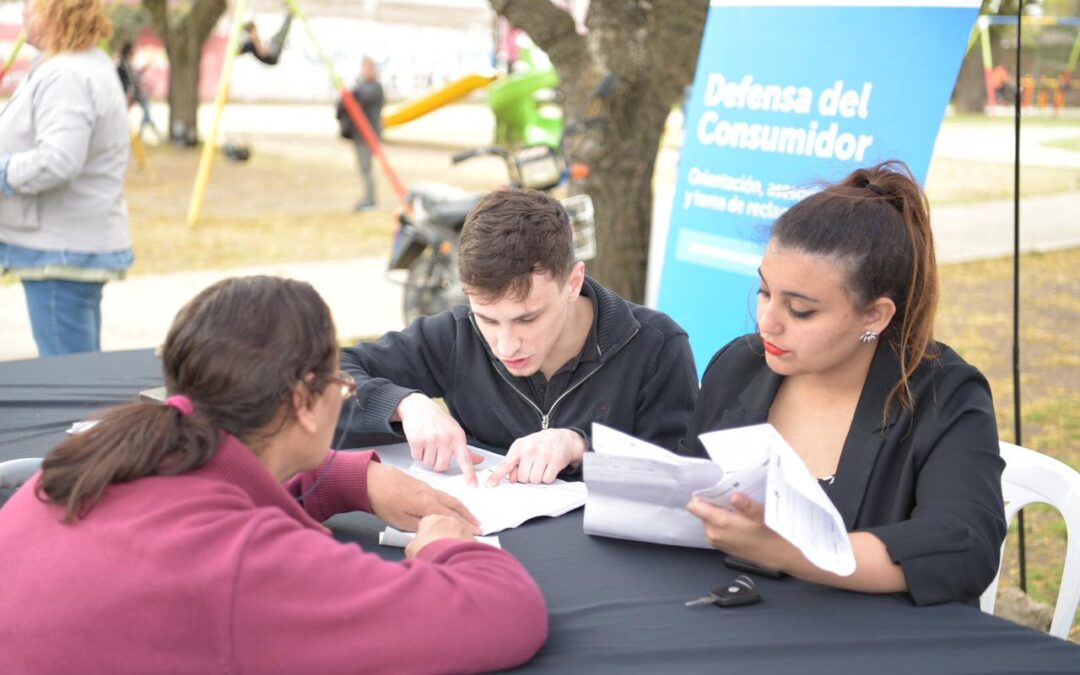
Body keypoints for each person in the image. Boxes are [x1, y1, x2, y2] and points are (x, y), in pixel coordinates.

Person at [0, 276, 548, 673]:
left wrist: (351, 479)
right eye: (340, 380)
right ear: (305, 404)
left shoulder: (98, 460)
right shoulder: (243, 563)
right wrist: (444, 548)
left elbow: (210, 487)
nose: (344, 391)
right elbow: (506, 614)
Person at [680, 160, 1006, 607]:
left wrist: (791, 552)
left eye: (801, 310)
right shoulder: (740, 365)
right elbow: (689, 492)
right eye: (764, 292)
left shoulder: (943, 395)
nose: (767, 322)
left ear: (875, 315)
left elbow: (964, 546)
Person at [341, 188, 699, 488]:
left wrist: (582, 447)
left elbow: (681, 482)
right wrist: (402, 404)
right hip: (486, 549)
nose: (506, 345)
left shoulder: (657, 346)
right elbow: (324, 374)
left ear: (573, 284)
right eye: (487, 319)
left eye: (527, 318)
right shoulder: (455, 335)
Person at [0, 0, 132, 357]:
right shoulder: (79, 65)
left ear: (55, 14)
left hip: (59, 251)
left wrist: (2, 170)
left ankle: (92, 418)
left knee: (68, 373)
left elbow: (58, 160)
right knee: (80, 366)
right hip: (67, 244)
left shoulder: (67, 74)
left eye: (30, 7)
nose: (23, 14)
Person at [337, 56, 384, 210]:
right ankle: (368, 197)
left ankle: (370, 199)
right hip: (359, 135)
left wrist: (349, 93)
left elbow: (362, 96)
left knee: (366, 168)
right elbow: (344, 103)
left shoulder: (376, 88)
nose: (367, 72)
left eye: (370, 68)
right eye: (365, 68)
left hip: (369, 135)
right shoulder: (361, 86)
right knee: (364, 168)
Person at [116, 40, 162, 143]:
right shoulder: (124, 63)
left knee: (146, 111)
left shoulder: (125, 62)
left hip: (132, 93)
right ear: (129, 50)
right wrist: (130, 94)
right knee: (145, 111)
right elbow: (131, 80)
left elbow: (133, 78)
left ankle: (140, 135)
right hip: (131, 94)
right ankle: (139, 136)